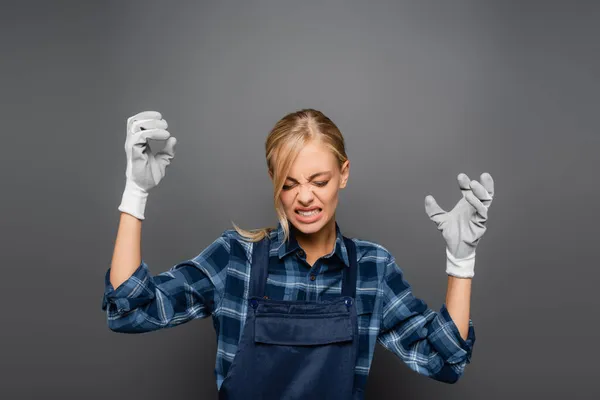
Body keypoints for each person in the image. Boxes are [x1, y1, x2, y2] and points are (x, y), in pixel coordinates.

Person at [102, 109, 495, 399]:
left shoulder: (373, 269)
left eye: (319, 181)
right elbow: (131, 310)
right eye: (289, 184)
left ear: (343, 173)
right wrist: (136, 192)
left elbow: (443, 361)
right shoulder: (236, 258)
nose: (305, 196)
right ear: (274, 181)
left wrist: (461, 260)